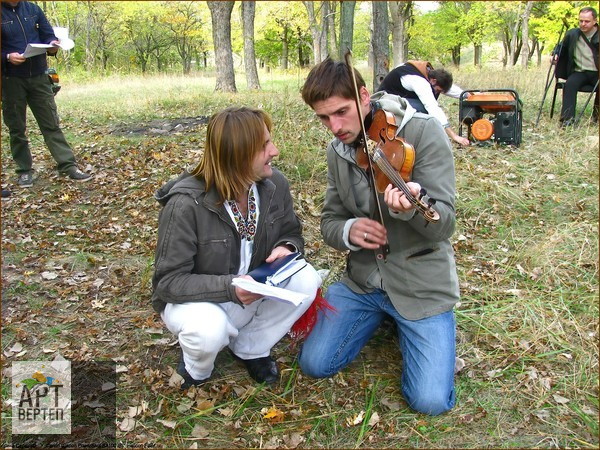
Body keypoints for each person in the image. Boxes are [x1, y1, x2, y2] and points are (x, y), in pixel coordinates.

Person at [299, 58, 460, 416]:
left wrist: (411, 206)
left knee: (430, 402)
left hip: (420, 283)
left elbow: (444, 224)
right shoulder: (337, 151)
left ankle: (415, 326)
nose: (335, 127)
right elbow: (330, 221)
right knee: (315, 364)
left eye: (341, 112)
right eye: (324, 118)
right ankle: (387, 318)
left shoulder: (422, 132)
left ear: (364, 96)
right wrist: (348, 230)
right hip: (363, 281)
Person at [152, 106, 322, 389]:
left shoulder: (273, 184)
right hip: (201, 302)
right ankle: (197, 368)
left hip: (252, 291)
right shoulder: (185, 205)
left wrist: (287, 246)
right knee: (208, 331)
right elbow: (167, 283)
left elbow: (292, 231)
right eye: (265, 145)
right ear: (239, 154)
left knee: (307, 279)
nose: (275, 151)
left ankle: (250, 347)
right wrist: (230, 288)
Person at [1, 0, 91, 187]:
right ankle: (24, 170)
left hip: (39, 76)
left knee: (51, 122)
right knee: (17, 127)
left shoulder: (33, 8)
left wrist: (52, 45)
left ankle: (68, 165)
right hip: (11, 79)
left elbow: (48, 36)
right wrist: (7, 57)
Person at [376, 60, 470, 146]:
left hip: (396, 101)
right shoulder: (418, 81)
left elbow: (450, 89)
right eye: (438, 91)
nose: (437, 93)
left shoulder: (429, 74)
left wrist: (468, 95)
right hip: (384, 104)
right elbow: (432, 106)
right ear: (433, 81)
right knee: (424, 108)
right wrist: (453, 135)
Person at [553, 6, 598, 126]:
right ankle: (567, 120)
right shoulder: (572, 34)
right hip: (580, 72)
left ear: (595, 21)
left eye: (587, 21)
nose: (583, 24)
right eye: (581, 21)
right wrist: (555, 54)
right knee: (570, 84)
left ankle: (596, 118)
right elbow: (560, 46)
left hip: (597, 73)